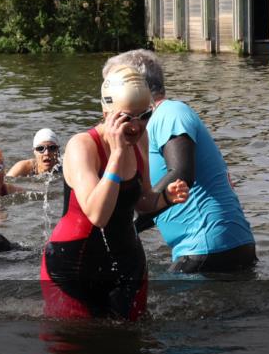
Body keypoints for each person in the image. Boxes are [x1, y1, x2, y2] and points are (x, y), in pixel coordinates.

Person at [41, 66, 189, 320]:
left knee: (136, 350)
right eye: (126, 118)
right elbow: (98, 214)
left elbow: (140, 201)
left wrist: (165, 197)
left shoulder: (140, 141)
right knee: (74, 351)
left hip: (127, 262)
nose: (136, 126)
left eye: (144, 116)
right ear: (106, 113)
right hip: (73, 267)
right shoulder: (82, 146)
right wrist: (118, 154)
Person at [104, 49, 257, 273]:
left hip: (206, 247)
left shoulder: (170, 112)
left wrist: (127, 223)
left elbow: (182, 174)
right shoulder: (144, 128)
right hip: (216, 246)